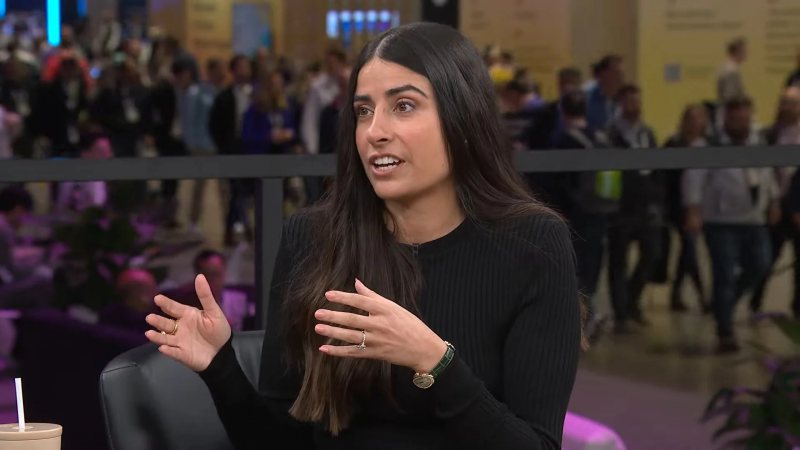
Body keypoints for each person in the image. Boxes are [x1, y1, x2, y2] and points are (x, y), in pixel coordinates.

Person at [145, 23, 581, 449]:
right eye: (363, 111)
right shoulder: (311, 238)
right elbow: (283, 440)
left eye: (404, 106)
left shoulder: (534, 244)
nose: (375, 132)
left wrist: (435, 362)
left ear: (463, 119)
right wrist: (220, 367)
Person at [683, 96, 780, 353]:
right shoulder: (709, 145)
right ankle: (725, 330)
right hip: (721, 222)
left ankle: (722, 306)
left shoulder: (759, 142)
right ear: (726, 118)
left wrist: (774, 201)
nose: (739, 122)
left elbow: (767, 174)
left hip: (754, 220)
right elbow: (694, 179)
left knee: (761, 264)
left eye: (743, 117)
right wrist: (693, 210)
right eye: (734, 117)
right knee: (723, 274)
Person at [663, 105, 711, 313]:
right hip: (678, 208)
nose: (695, 123)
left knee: (686, 252)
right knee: (689, 249)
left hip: (704, 207)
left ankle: (677, 294)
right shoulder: (674, 145)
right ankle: (702, 296)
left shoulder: (708, 146)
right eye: (691, 118)